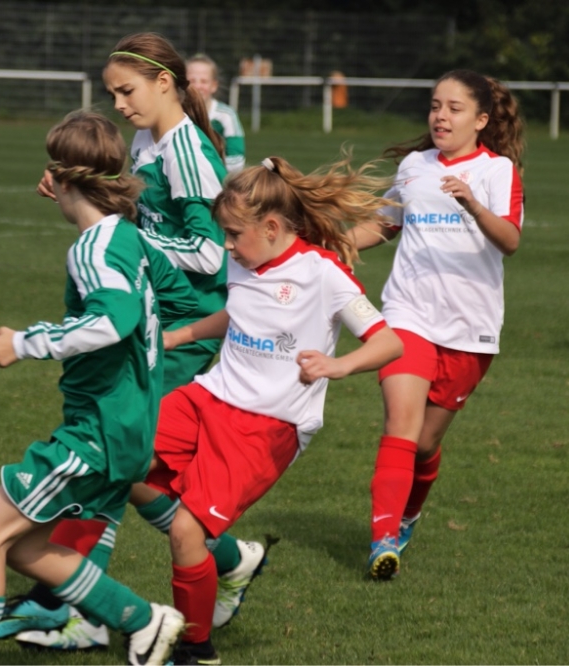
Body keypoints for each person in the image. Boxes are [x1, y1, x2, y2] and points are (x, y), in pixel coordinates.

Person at [5, 33, 262, 651]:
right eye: (113, 93)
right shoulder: (150, 141)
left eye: (127, 91)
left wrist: (127, 239)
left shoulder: (187, 150)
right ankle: (227, 559)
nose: (118, 105)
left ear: (164, 83)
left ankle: (75, 607)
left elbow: (208, 253)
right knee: (129, 464)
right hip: (151, 317)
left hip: (184, 328)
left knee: (114, 453)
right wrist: (81, 192)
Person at [0, 111, 187, 666]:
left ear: (62, 177)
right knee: (25, 547)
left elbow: (114, 320)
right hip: (125, 428)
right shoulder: (128, 237)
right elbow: (174, 296)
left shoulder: (94, 248)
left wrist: (25, 342)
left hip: (98, 430)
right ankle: (143, 621)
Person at [147, 154, 402, 663]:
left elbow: (388, 343)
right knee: (123, 458)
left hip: (267, 426)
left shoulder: (322, 273)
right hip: (209, 396)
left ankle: (196, 650)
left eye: (233, 234)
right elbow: (240, 312)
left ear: (270, 227)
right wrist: (180, 335)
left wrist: (337, 365)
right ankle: (231, 560)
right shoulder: (244, 258)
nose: (226, 245)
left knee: (184, 531)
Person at [349, 69, 524, 581]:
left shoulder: (497, 171)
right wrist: (326, 245)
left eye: (454, 108)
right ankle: (383, 540)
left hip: (470, 327)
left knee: (424, 444)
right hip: (408, 314)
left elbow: (510, 240)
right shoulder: (414, 166)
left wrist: (472, 204)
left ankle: (408, 515)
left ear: (481, 120)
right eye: (434, 106)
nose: (440, 116)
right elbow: (385, 223)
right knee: (400, 427)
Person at [187, 53, 246, 174]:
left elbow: (237, 160)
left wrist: (204, 167)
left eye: (204, 81)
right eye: (192, 81)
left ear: (214, 86)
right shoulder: (176, 113)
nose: (197, 86)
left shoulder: (226, 116)